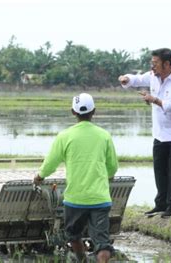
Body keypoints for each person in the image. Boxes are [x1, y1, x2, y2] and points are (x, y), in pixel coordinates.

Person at [34, 93, 118, 263]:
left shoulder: (65, 136)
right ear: (94, 111)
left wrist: (39, 176)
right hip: (100, 198)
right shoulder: (104, 135)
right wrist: (106, 176)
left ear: (73, 112)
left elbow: (51, 163)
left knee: (73, 236)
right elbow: (112, 167)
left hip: (75, 199)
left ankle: (82, 260)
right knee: (102, 242)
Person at [118, 48, 171, 218]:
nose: (152, 66)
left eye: (155, 63)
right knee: (160, 171)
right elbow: (137, 79)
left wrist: (154, 100)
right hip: (159, 135)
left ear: (167, 64)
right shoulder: (153, 76)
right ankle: (160, 204)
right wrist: (127, 78)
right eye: (152, 63)